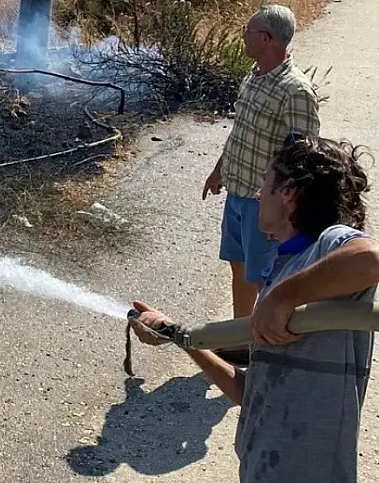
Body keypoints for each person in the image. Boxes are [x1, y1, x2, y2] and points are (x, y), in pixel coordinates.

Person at [133, 137, 379, 483]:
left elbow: (371, 259)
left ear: (288, 193)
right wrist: (176, 334)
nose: (259, 194)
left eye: (265, 183)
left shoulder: (327, 246)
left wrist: (281, 298)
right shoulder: (285, 266)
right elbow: (252, 393)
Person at [203, 5, 321, 337]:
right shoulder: (254, 76)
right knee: (239, 270)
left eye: (248, 30)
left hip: (263, 205)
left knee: (267, 280)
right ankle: (242, 339)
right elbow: (240, 133)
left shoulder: (294, 90)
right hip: (236, 193)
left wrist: (281, 204)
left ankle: (278, 346)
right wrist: (218, 172)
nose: (243, 35)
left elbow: (304, 155)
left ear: (266, 39)